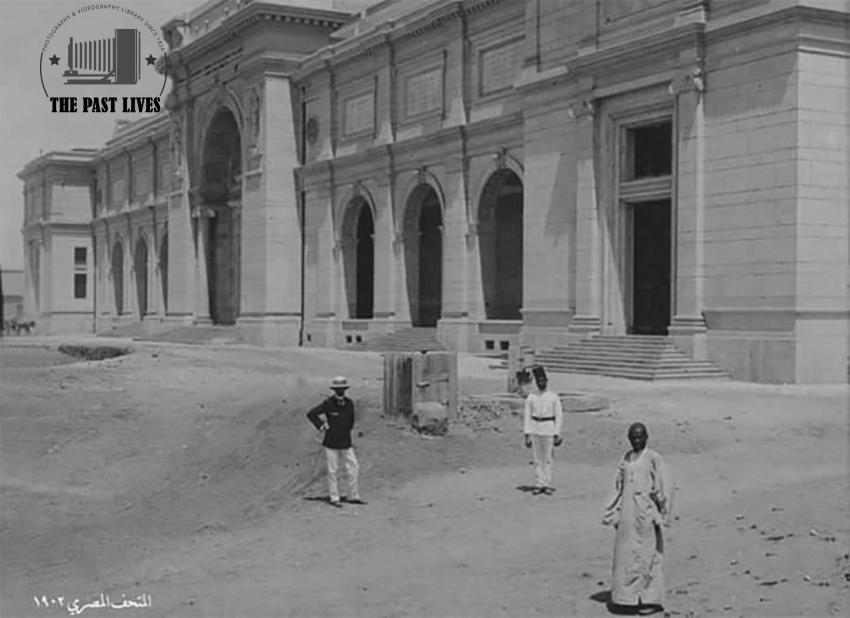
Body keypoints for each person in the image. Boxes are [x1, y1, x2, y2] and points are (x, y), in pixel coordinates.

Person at [602, 422, 674, 615]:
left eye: (640, 437)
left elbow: (664, 486)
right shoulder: (625, 459)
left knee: (648, 557)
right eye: (633, 437)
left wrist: (661, 513)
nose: (636, 440)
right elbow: (616, 486)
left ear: (646, 437)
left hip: (646, 515)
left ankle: (650, 600)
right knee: (627, 557)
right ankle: (626, 599)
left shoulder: (653, 458)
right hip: (627, 516)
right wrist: (611, 513)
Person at [306, 376, 365, 508]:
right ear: (334, 390)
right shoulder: (328, 403)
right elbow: (311, 414)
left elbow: (351, 421)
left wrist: (345, 430)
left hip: (346, 441)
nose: (340, 391)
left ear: (345, 390)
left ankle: (354, 495)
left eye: (342, 389)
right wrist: (321, 425)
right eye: (338, 389)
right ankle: (334, 497)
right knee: (333, 470)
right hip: (331, 441)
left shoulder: (349, 403)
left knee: (354, 467)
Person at [522, 365, 564, 496]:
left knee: (548, 458)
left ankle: (547, 483)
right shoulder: (531, 397)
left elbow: (559, 415)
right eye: (539, 381)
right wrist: (527, 434)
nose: (541, 383)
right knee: (536, 458)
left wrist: (557, 432)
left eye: (543, 381)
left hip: (548, 428)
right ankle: (539, 483)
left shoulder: (553, 397)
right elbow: (527, 416)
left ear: (546, 381)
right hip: (535, 427)